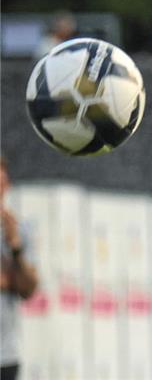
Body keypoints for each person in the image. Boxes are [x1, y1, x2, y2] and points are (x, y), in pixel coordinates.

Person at [0, 158, 39, 380]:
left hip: (6, 355)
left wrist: (15, 248)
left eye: (2, 183)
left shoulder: (17, 230)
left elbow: (29, 288)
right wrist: (9, 279)